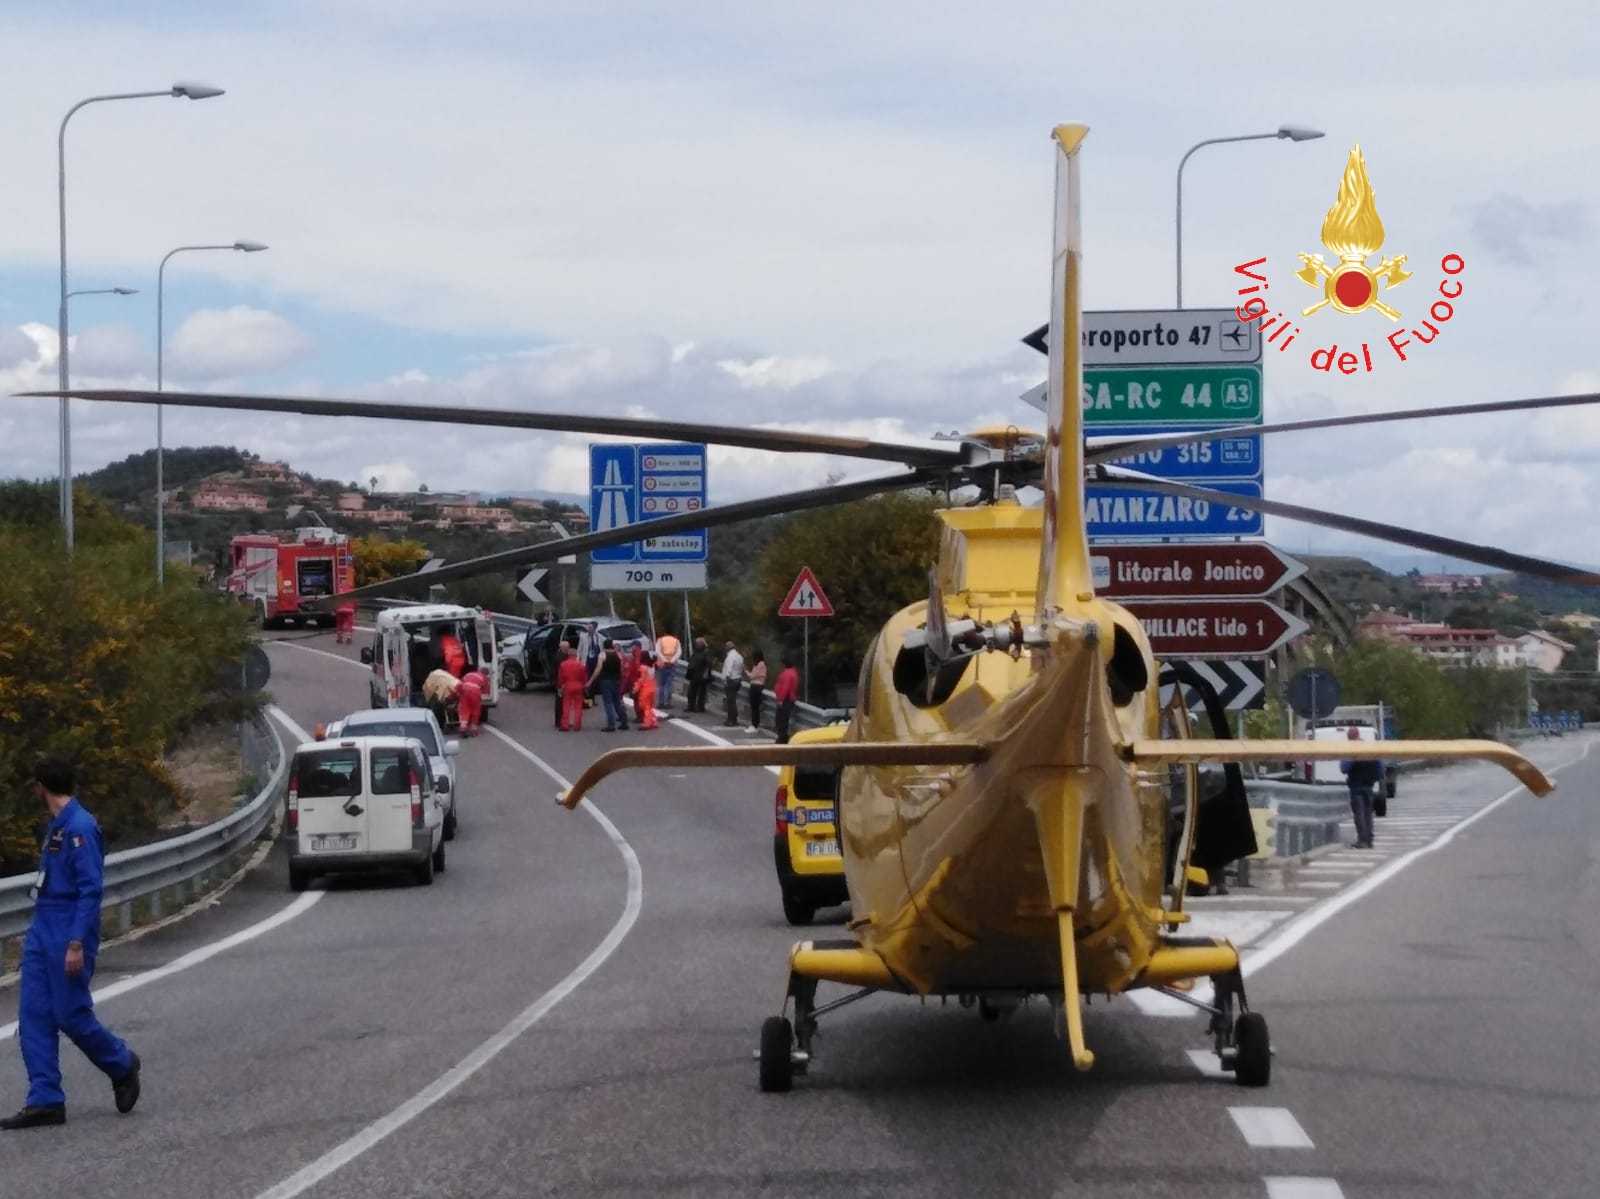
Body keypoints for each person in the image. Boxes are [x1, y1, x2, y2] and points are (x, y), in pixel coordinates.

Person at [2, 759, 140, 1131]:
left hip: (69, 929)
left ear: (40, 787)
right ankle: (45, 1099)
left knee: (70, 1014)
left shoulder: (80, 827)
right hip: (43, 925)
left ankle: (122, 1063)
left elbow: (90, 890)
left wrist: (77, 941)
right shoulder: (56, 828)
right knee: (33, 1015)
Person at [1339, 728, 1383, 849]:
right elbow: (1380, 769)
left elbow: (1344, 768)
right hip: (1369, 786)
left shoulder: (1351, 750)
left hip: (1356, 786)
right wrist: (1375, 779)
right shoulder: (1369, 748)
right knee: (1368, 814)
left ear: (1349, 737)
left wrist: (1352, 758)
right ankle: (1369, 840)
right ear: (1358, 735)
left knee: (1359, 814)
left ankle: (1363, 840)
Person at [589, 639, 629, 732]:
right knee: (617, 702)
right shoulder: (618, 655)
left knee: (608, 703)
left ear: (604, 646)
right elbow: (622, 668)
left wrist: (590, 681)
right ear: (612, 645)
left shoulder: (602, 655)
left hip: (606, 680)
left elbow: (598, 669)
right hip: (617, 680)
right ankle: (624, 722)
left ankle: (611, 725)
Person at [556, 644, 588, 731]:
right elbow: (584, 677)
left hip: (568, 685)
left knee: (566, 706)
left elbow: (560, 678)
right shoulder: (581, 665)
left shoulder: (563, 664)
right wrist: (584, 686)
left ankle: (565, 725)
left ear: (568, 655)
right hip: (578, 686)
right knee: (578, 706)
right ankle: (577, 725)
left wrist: (560, 687)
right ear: (576, 655)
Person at [772, 655, 800, 744]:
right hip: (788, 699)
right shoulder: (793, 672)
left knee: (781, 720)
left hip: (785, 699)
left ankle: (782, 739)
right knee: (783, 719)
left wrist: (780, 699)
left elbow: (785, 687)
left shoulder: (787, 673)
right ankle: (783, 737)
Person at [655, 632, 682, 712]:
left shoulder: (660, 640)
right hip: (672, 664)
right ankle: (667, 703)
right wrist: (671, 660)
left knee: (661, 684)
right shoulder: (676, 641)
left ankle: (660, 702)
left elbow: (657, 651)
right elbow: (679, 652)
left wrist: (664, 660)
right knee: (669, 684)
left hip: (662, 664)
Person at [721, 640, 745, 727]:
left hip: (731, 680)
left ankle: (731, 720)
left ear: (728, 647)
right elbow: (741, 668)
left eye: (726, 646)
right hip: (738, 679)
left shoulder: (730, 657)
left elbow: (728, 669)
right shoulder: (739, 656)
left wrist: (726, 679)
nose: (725, 648)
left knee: (730, 701)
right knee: (733, 701)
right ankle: (734, 719)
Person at [457, 666, 487, 737]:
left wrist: (459, 693)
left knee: (464, 710)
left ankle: (463, 728)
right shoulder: (484, 678)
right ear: (485, 674)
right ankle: (473, 730)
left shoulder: (469, 674)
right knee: (475, 711)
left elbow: (460, 684)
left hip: (464, 691)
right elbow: (485, 690)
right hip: (475, 693)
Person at [634, 652, 660, 730]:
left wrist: (635, 689)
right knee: (649, 706)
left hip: (645, 689)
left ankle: (647, 723)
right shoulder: (652, 666)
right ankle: (653, 720)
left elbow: (641, 680)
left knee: (645, 706)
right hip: (652, 687)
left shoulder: (643, 667)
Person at [685, 637, 711, 713]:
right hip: (694, 675)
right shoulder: (696, 651)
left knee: (701, 693)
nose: (697, 644)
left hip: (701, 675)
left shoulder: (706, 652)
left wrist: (705, 674)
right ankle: (691, 706)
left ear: (702, 644)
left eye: (698, 643)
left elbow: (709, 664)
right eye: (696, 643)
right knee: (691, 692)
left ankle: (700, 707)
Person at [746, 650, 768, 732]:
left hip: (756, 686)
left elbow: (752, 676)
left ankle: (754, 725)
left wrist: (746, 671)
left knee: (754, 706)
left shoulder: (760, 664)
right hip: (757, 686)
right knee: (754, 707)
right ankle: (755, 724)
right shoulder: (760, 664)